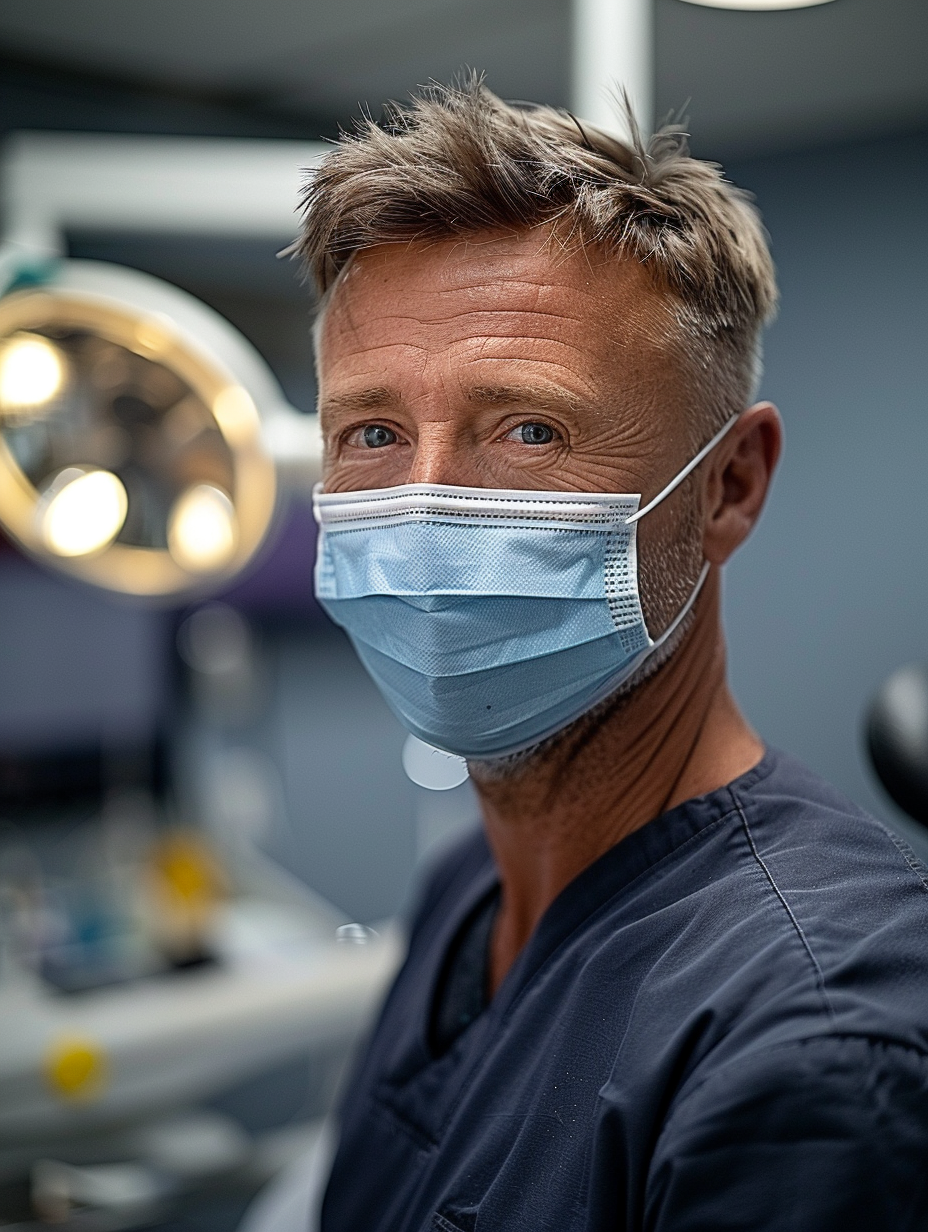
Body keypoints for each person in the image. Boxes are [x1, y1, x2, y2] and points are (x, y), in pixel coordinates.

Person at [297, 77, 928, 1230]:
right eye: (372, 434)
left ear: (730, 485)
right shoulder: (464, 892)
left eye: (528, 429)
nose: (426, 505)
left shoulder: (816, 1042)